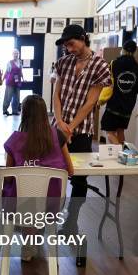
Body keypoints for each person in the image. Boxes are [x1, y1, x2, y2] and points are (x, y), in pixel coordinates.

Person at [53, 24, 110, 247]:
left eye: (72, 43)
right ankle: (45, 221)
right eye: (66, 45)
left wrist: (71, 127)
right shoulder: (63, 63)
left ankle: (71, 222)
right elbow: (56, 94)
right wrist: (59, 122)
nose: (69, 49)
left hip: (82, 130)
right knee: (51, 173)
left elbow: (91, 101)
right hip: (58, 127)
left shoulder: (100, 65)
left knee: (79, 179)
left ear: (83, 39)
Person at [3, 95, 74, 261]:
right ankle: (43, 242)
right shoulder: (58, 136)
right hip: (52, 204)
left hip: (22, 205)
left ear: (24, 115)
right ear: (44, 115)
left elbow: (7, 178)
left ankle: (28, 247)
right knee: (39, 200)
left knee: (26, 198)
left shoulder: (15, 141)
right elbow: (70, 171)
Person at [100, 40, 138, 144]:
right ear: (135, 52)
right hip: (128, 107)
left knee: (109, 132)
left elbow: (106, 82)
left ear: (123, 50)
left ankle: (120, 154)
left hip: (114, 105)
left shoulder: (114, 64)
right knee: (120, 131)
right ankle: (124, 156)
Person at [2, 49, 24, 116]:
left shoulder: (20, 62)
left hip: (17, 82)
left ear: (18, 54)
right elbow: (7, 71)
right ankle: (5, 110)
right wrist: (2, 80)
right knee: (8, 97)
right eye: (14, 53)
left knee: (17, 97)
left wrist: (23, 78)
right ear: (12, 54)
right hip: (10, 81)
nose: (16, 55)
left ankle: (15, 111)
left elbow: (20, 71)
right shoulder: (9, 62)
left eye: (17, 53)